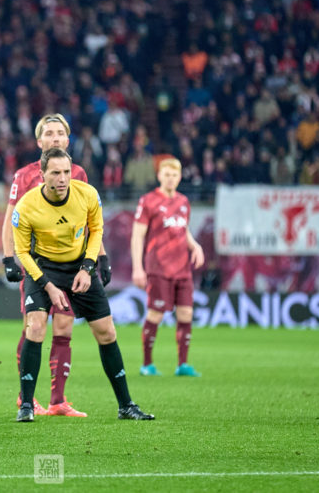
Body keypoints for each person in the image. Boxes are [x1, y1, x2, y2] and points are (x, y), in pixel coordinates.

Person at [12, 147, 153, 422]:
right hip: (43, 268)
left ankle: (126, 405)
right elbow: (22, 252)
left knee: (107, 332)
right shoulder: (27, 206)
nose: (63, 178)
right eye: (55, 173)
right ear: (42, 175)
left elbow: (96, 228)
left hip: (79, 266)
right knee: (36, 325)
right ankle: (26, 405)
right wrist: (49, 287)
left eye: (66, 171)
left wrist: (89, 267)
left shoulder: (87, 194)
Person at [1, 113, 111, 418]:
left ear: (68, 138)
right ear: (39, 141)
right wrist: (8, 257)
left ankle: (58, 400)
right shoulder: (24, 176)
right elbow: (10, 219)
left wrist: (99, 257)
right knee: (35, 325)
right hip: (37, 263)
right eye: (49, 133)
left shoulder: (78, 174)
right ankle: (28, 398)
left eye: (60, 133)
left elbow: (89, 222)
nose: (55, 138)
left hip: (72, 263)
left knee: (64, 325)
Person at [130, 157, 205, 377]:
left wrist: (195, 246)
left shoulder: (183, 201)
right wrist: (138, 267)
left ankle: (182, 364)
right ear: (159, 176)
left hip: (182, 268)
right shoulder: (148, 201)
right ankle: (147, 364)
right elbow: (137, 236)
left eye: (175, 175)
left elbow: (183, 230)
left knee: (186, 313)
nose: (171, 178)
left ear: (180, 177)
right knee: (156, 314)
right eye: (167, 174)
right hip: (158, 267)